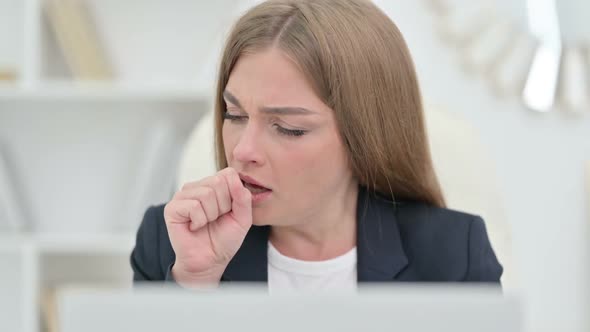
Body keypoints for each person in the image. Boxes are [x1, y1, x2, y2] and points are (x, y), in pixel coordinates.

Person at [130, 0, 502, 292]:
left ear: (365, 137)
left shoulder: (454, 252)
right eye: (235, 114)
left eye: (289, 128)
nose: (244, 151)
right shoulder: (169, 244)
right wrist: (195, 284)